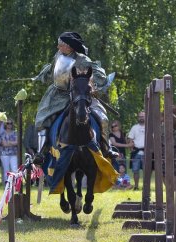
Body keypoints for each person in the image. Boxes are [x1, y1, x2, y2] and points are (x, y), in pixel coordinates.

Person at [33, 31, 118, 161]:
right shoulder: (58, 55)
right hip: (56, 95)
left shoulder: (83, 60)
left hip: (79, 95)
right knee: (43, 119)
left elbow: (95, 71)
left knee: (103, 118)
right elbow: (53, 71)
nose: (58, 47)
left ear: (69, 46)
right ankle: (41, 151)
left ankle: (106, 148)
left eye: (60, 45)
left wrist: (97, 84)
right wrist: (42, 75)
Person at [128, 111, 145, 190]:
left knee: (147, 171)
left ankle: (146, 186)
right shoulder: (134, 127)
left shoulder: (150, 127)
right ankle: (136, 186)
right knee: (135, 171)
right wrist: (131, 148)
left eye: (143, 116)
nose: (141, 118)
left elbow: (153, 139)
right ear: (138, 118)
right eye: (140, 116)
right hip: (136, 152)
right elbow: (130, 139)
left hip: (146, 152)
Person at [0, 119, 18, 183]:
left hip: (14, 154)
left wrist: (8, 142)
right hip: (4, 154)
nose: (9, 124)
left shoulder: (15, 133)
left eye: (11, 123)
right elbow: (4, 144)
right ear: (5, 124)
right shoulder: (3, 133)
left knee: (14, 170)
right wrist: (12, 143)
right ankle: (7, 185)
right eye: (8, 123)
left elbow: (17, 143)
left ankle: (15, 184)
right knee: (6, 170)